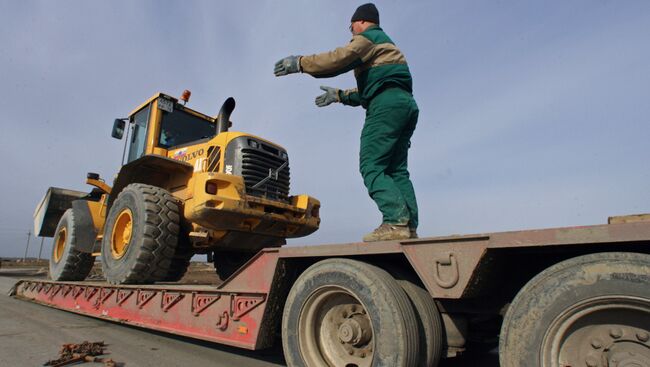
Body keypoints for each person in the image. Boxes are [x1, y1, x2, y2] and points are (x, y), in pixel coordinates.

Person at [274, 3, 420, 242]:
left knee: (371, 166)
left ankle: (394, 222)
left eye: (350, 26)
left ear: (360, 21)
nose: (350, 31)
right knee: (396, 171)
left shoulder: (368, 38)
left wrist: (300, 63)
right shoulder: (388, 46)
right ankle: (408, 226)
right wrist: (340, 96)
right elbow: (371, 90)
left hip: (385, 106)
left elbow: (338, 59)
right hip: (404, 105)